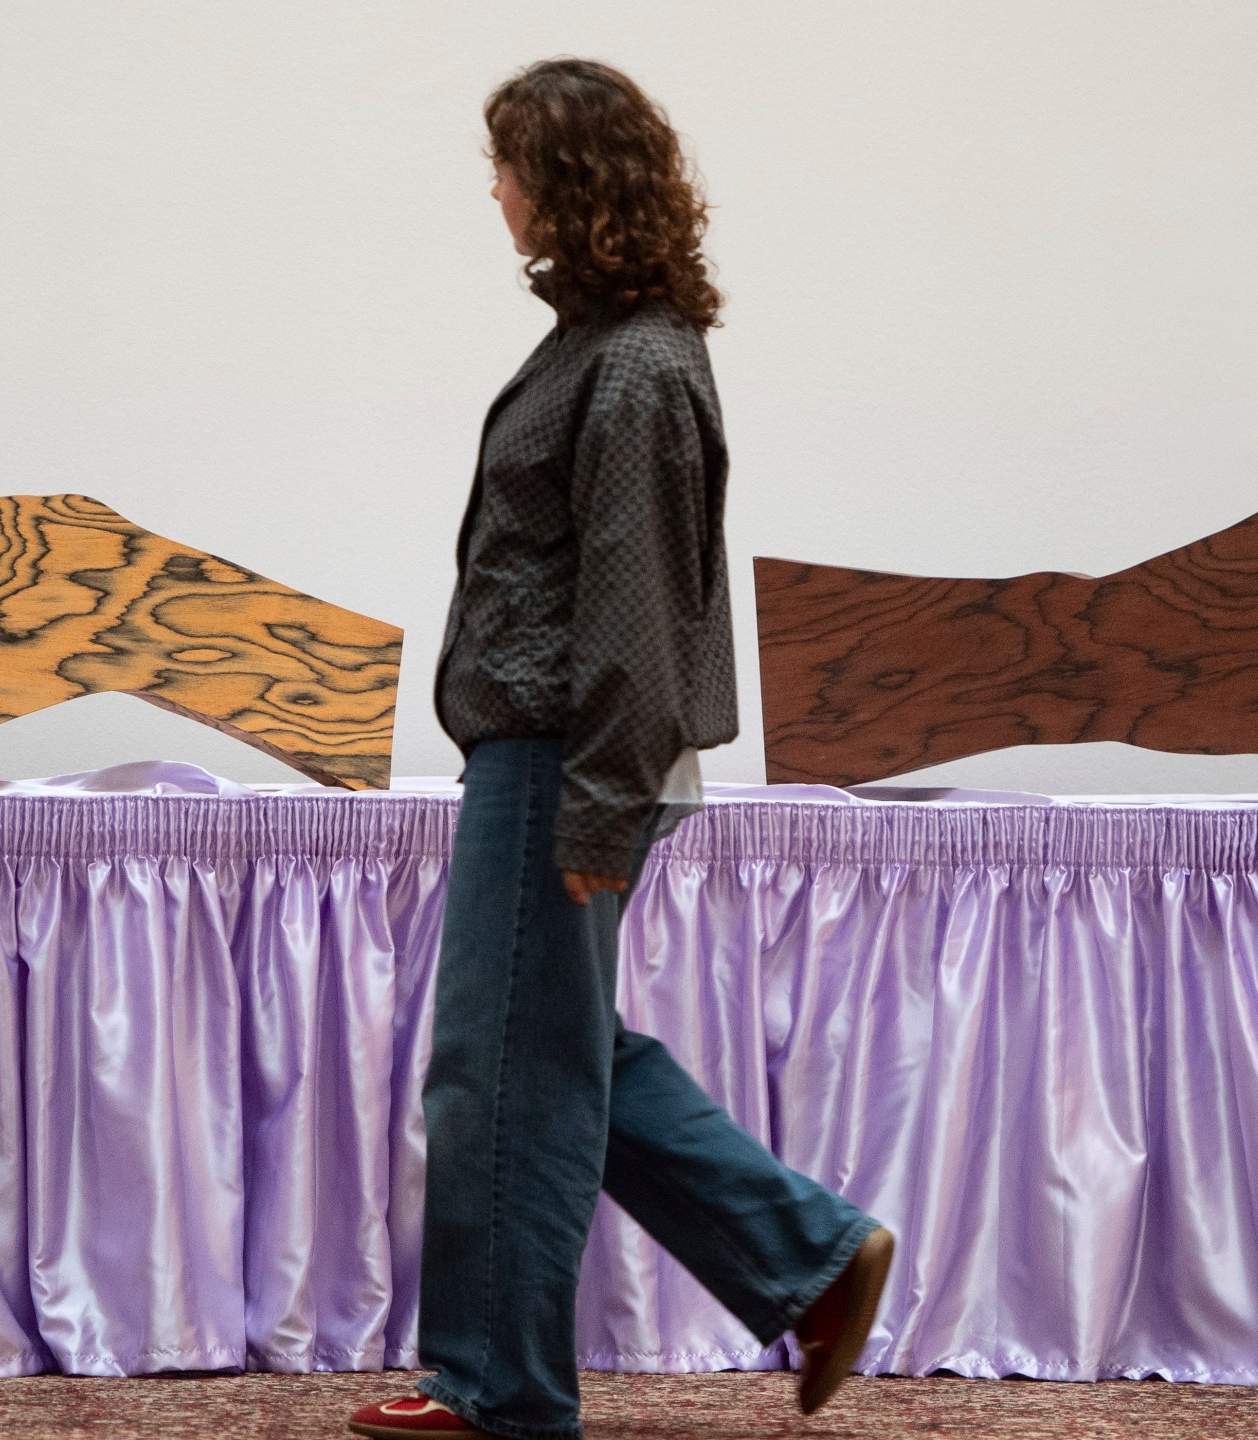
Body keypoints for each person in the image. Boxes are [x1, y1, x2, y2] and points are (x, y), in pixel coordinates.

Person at [347, 58, 894, 1440]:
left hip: (562, 762)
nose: (497, 190)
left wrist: (595, 814)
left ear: (567, 183)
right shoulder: (600, 347)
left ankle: (501, 1391)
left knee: (500, 1071)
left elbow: (640, 614)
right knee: (555, 1050)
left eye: (510, 164)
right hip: (540, 755)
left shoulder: (638, 366)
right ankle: (809, 1256)